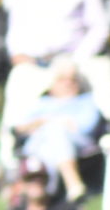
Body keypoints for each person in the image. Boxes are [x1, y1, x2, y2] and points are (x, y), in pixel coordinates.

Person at [0, 0, 110, 157]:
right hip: (37, 62)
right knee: (17, 88)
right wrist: (18, 52)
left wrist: (76, 60)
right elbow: (17, 24)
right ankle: (10, 160)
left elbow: (99, 27)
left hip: (76, 59)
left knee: (105, 79)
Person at [8, 54, 103, 202]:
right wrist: (48, 121)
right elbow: (19, 128)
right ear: (53, 83)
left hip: (76, 144)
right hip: (38, 144)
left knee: (54, 133)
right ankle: (72, 185)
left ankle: (43, 195)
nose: (68, 84)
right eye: (62, 80)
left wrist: (49, 123)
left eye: (73, 80)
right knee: (52, 133)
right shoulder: (41, 103)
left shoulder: (86, 102)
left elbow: (86, 128)